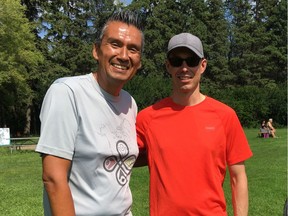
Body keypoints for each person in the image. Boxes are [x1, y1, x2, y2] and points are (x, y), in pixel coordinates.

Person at [35, 10, 144, 216]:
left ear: (139, 60)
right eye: (115, 44)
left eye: (133, 49)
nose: (123, 55)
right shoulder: (67, 92)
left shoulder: (130, 103)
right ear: (96, 50)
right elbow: (53, 178)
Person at [136, 33, 253, 216]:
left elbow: (238, 178)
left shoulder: (225, 116)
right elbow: (116, 157)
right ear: (168, 66)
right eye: (176, 61)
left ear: (203, 65)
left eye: (191, 60)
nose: (184, 68)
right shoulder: (147, 118)